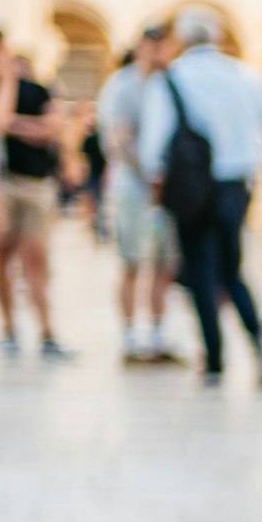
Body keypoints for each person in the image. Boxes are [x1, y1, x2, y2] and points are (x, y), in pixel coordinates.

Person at [141, 7, 262, 387]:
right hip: (235, 185)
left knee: (200, 270)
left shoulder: (172, 79)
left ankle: (214, 359)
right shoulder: (243, 76)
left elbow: (153, 146)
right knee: (231, 269)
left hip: (191, 187)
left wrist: (156, 183)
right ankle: (255, 333)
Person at [98, 23, 182, 362]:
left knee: (165, 264)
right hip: (134, 189)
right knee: (132, 261)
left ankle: (159, 334)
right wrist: (150, 175)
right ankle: (131, 336)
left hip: (167, 191)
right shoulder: (123, 86)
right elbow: (121, 138)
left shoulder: (171, 85)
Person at [0, 34, 72, 360]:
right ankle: (8, 327)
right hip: (4, 183)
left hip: (35, 184)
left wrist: (14, 125)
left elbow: (52, 127)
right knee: (2, 256)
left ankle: (46, 329)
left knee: (36, 258)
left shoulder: (40, 90)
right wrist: (22, 125)